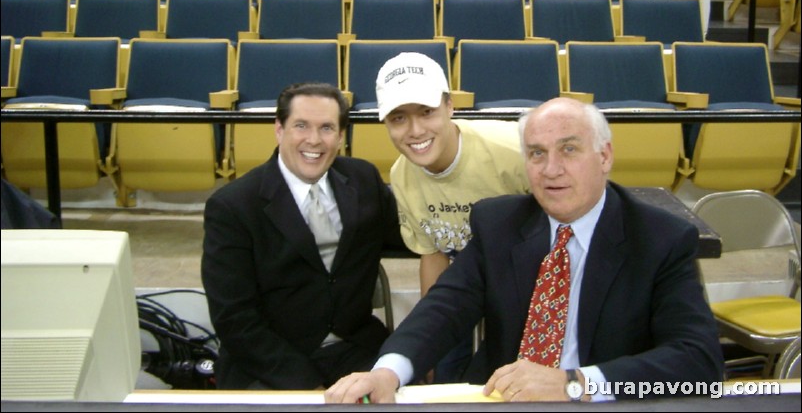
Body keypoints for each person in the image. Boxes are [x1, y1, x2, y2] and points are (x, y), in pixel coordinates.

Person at [326, 97, 724, 403]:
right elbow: (445, 305)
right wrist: (389, 371)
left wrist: (575, 383)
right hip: (503, 401)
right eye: (536, 153)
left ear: (604, 156)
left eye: (569, 149)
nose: (551, 169)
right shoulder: (499, 223)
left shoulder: (660, 239)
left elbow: (700, 363)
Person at [201, 82, 406, 390]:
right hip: (271, 359)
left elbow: (409, 236)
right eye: (301, 126)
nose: (314, 140)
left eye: (326, 128)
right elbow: (234, 318)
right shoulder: (233, 206)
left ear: (340, 136)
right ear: (279, 129)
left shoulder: (363, 180)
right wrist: (306, 385)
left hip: (356, 349)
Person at [376, 52, 530, 382]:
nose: (415, 130)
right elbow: (432, 255)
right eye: (398, 118)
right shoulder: (402, 175)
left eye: (427, 112)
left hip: (528, 281)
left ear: (450, 106)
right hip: (463, 283)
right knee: (443, 376)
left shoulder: (515, 152)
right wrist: (428, 349)